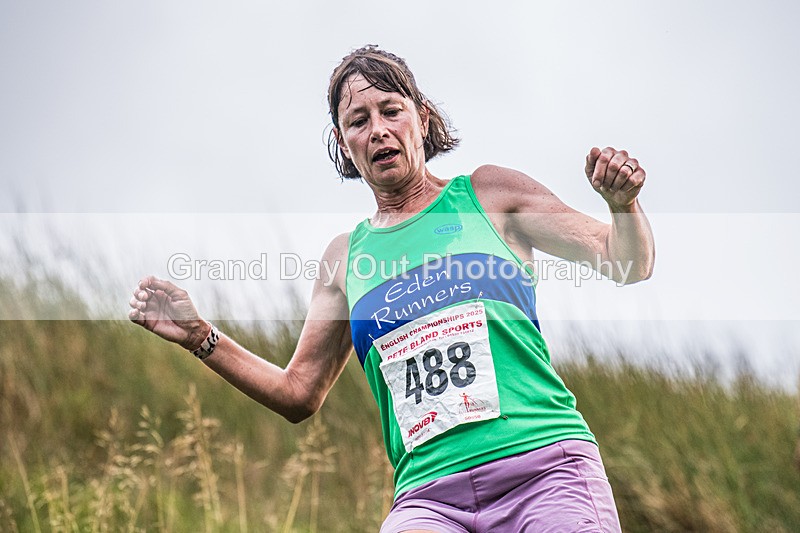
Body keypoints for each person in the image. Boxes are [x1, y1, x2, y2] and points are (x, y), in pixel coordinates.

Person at [129, 45, 654, 532]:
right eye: (358, 121)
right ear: (344, 143)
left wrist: (622, 205)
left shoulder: (490, 195)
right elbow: (298, 393)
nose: (378, 129)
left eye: (390, 110)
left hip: (544, 472)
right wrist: (200, 336)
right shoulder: (344, 259)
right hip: (429, 501)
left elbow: (625, 262)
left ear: (422, 119)